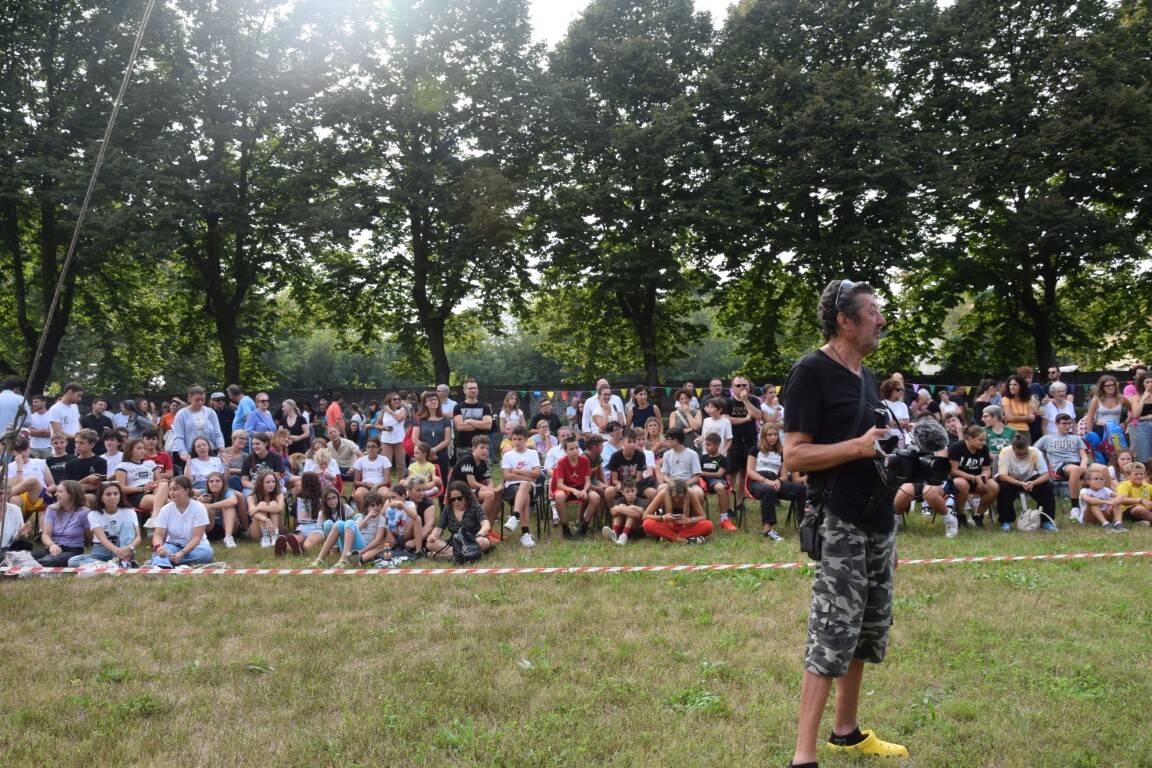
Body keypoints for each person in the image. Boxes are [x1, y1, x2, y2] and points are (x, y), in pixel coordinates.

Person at [783, 279, 909, 767]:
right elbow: (794, 455)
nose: (880, 319)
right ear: (845, 320)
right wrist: (856, 447)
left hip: (877, 519)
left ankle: (847, 731)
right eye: (873, 311)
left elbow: (875, 452)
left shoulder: (866, 375)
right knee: (831, 634)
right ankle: (803, 757)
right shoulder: (810, 372)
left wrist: (890, 521)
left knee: (866, 630)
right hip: (837, 520)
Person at [746, 424, 806, 541]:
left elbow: (784, 475)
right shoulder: (755, 449)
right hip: (757, 481)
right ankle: (767, 530)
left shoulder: (781, 452)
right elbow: (750, 471)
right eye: (769, 435)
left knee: (800, 489)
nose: (773, 437)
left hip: (775, 480)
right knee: (768, 490)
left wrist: (778, 481)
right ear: (764, 436)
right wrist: (766, 481)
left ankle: (803, 526)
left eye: (775, 434)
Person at [69, 483, 140, 570]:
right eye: (108, 494)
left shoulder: (129, 511)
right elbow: (103, 540)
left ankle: (123, 561)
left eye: (115, 494)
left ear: (120, 496)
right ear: (101, 497)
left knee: (127, 524)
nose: (112, 497)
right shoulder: (93, 514)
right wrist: (117, 551)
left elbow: (138, 538)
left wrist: (128, 548)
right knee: (73, 561)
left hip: (125, 547)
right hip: (101, 550)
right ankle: (113, 565)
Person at [1035, 413, 1091, 523]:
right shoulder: (1047, 438)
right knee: (1075, 469)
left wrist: (1084, 464)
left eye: (1069, 423)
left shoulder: (1076, 438)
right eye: (1064, 423)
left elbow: (1084, 456)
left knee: (1103, 468)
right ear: (1056, 424)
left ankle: (1106, 507)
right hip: (1061, 466)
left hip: (1079, 464)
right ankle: (1075, 508)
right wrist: (1043, 465)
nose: (1067, 426)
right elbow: (1033, 451)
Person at [147, 477, 213, 568]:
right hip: (172, 545)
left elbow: (197, 538)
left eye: (175, 489)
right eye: (170, 490)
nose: (171, 493)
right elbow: (158, 535)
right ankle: (165, 564)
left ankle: (162, 562)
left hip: (196, 547)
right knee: (161, 551)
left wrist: (182, 553)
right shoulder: (165, 510)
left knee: (206, 553)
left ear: (186, 490)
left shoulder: (199, 508)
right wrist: (159, 547)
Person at [995, 433, 1056, 531]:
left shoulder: (1035, 452)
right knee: (1003, 488)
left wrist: (1033, 483)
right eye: (1019, 454)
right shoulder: (1005, 452)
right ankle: (1006, 520)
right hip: (1010, 479)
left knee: (1047, 486)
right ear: (1013, 448)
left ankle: (1045, 520)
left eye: (1025, 453)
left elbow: (1046, 474)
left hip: (1030, 478)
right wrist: (1019, 483)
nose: (1022, 456)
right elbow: (1002, 476)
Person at [425, 482, 494, 561]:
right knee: (429, 544)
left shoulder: (474, 505)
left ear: (466, 496)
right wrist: (433, 536)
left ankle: (451, 555)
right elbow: (439, 528)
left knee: (484, 542)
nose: (456, 501)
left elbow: (486, 524)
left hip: (474, 540)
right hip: (456, 542)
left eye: (459, 498)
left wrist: (480, 535)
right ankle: (459, 555)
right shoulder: (448, 509)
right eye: (453, 499)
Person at [948, 426, 1000, 527]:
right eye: (981, 440)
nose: (983, 442)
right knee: (962, 484)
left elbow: (986, 469)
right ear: (970, 438)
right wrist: (973, 477)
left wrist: (982, 479)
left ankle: (978, 516)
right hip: (959, 479)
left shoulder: (983, 448)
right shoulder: (956, 448)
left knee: (994, 486)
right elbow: (953, 470)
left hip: (977, 479)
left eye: (984, 440)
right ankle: (960, 515)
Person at [32, 480, 91, 566]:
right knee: (28, 556)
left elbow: (90, 536)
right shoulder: (51, 509)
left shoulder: (84, 512)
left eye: (59, 492)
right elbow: (45, 535)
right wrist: (51, 545)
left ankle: (36, 566)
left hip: (73, 549)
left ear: (71, 494)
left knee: (49, 560)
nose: (55, 494)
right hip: (54, 547)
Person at [452, 435, 502, 535]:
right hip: (458, 492)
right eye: (482, 448)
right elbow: (472, 483)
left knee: (498, 494)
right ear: (474, 449)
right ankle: (475, 528)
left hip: (471, 491)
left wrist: (492, 488)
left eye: (487, 448)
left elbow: (489, 480)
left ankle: (488, 531)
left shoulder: (483, 462)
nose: (485, 451)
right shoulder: (467, 460)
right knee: (490, 495)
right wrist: (490, 490)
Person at [500, 426, 540, 548]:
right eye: (514, 439)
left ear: (526, 439)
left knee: (526, 485)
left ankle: (514, 517)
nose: (517, 442)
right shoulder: (508, 455)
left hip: (529, 486)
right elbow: (507, 476)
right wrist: (527, 476)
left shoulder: (533, 453)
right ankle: (525, 534)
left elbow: (537, 473)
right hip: (511, 488)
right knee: (526, 497)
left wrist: (517, 471)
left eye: (520, 439)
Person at [550, 435, 597, 539]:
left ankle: (583, 526)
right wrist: (573, 490)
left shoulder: (584, 460)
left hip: (581, 487)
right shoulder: (562, 462)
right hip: (566, 488)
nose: (575, 450)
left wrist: (584, 490)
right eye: (571, 449)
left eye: (576, 448)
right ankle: (565, 528)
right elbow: (560, 484)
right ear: (566, 451)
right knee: (559, 497)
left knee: (595, 497)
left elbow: (588, 481)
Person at [640, 478, 712, 543]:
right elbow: (645, 516)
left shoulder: (690, 493)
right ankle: (682, 540)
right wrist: (662, 517)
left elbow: (703, 516)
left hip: (686, 527)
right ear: (670, 492)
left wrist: (690, 520)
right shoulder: (663, 493)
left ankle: (669, 537)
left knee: (708, 525)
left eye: (680, 497)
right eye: (674, 497)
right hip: (667, 525)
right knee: (647, 523)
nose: (677, 500)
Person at [116, 438, 168, 525]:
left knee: (164, 484)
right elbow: (121, 488)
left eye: (143, 448)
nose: (143, 451)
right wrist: (143, 488)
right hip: (137, 494)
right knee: (170, 503)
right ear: (130, 451)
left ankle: (154, 517)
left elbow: (159, 481)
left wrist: (154, 484)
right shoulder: (123, 466)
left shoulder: (150, 463)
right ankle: (155, 517)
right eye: (139, 448)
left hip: (154, 490)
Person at [411, 390, 453, 485]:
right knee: (421, 482)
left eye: (435, 399)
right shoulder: (419, 420)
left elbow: (447, 440)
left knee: (442, 482)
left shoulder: (445, 420)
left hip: (441, 455)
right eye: (430, 400)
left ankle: (443, 500)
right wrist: (428, 452)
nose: (433, 401)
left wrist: (433, 450)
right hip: (423, 456)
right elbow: (415, 439)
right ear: (425, 403)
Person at [198, 472, 242, 548]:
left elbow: (233, 501)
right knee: (205, 508)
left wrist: (210, 506)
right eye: (211, 481)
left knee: (228, 506)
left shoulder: (227, 491)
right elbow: (189, 492)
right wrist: (198, 498)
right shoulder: (205, 493)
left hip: (227, 526)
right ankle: (199, 538)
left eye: (217, 481)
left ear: (223, 483)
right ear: (208, 484)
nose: (214, 483)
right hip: (211, 528)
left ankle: (228, 538)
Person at [699, 433, 733, 527]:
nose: (706, 447)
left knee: (720, 487)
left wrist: (703, 473)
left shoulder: (723, 459)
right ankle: (698, 518)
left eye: (709, 445)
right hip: (703, 481)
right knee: (696, 490)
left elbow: (719, 474)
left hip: (717, 480)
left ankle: (724, 518)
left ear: (717, 445)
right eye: (705, 444)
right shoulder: (703, 458)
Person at [1079, 466, 1128, 532]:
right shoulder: (1084, 490)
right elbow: (1088, 499)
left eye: (1101, 479)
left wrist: (1112, 504)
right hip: (1089, 518)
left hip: (1105, 514)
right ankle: (1106, 525)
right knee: (1093, 502)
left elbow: (1121, 496)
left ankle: (1118, 524)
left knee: (1117, 502)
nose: (1099, 481)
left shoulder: (1105, 490)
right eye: (1096, 479)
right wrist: (1107, 502)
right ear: (1088, 481)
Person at [65, 429, 107, 505]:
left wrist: (76, 486)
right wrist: (86, 479)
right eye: (76, 442)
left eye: (81, 443)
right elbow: (68, 487)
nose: (77, 445)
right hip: (73, 495)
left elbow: (97, 485)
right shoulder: (70, 464)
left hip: (93, 496)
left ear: (92, 445)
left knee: (86, 498)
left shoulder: (100, 462)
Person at [453, 379, 493, 456]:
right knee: (465, 468)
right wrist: (480, 424)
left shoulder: (485, 407)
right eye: (470, 388)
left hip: (482, 447)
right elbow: (460, 426)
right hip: (464, 446)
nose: (473, 390)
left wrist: (470, 421)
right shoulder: (458, 407)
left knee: (483, 468)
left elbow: (488, 425)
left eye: (475, 388)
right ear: (464, 390)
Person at [375, 392, 407, 483]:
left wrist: (389, 411)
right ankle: (386, 485)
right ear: (389, 400)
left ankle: (400, 486)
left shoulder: (403, 410)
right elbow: (377, 425)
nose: (397, 401)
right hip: (386, 441)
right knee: (386, 464)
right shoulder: (383, 411)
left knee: (400, 465)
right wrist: (384, 428)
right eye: (394, 399)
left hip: (399, 440)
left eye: (398, 399)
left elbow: (399, 419)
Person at [601, 478, 644, 545]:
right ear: (623, 492)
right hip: (621, 528)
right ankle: (614, 533)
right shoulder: (620, 500)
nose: (630, 494)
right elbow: (613, 512)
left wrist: (621, 509)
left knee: (630, 513)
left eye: (633, 491)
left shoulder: (639, 501)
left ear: (636, 490)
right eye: (627, 491)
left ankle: (624, 535)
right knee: (621, 507)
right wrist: (622, 508)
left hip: (636, 530)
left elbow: (639, 514)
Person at [248, 470, 284, 546]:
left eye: (273, 482)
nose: (271, 484)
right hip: (258, 530)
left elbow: (280, 508)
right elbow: (251, 512)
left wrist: (258, 508)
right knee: (262, 503)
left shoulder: (279, 495)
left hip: (276, 527)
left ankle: (274, 536)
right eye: (267, 482)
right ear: (261, 484)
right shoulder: (252, 496)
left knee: (273, 503)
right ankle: (265, 537)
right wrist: (266, 520)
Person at [1114, 461, 1152, 525]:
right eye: (1136, 474)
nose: (1139, 476)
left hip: (1146, 510)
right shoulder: (1124, 485)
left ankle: (1145, 521)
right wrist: (1140, 500)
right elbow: (1121, 500)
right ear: (1128, 476)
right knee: (1138, 509)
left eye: (1141, 474)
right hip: (1128, 512)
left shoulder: (1147, 486)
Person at [47, 382, 84, 447]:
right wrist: (77, 437)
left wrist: (83, 434)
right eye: (78, 395)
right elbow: (58, 432)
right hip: (62, 447)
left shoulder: (75, 406)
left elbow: (77, 423)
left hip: (76, 444)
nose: (80, 399)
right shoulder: (55, 409)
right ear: (70, 392)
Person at [1128, 372, 1152, 463]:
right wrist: (1143, 399)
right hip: (1143, 427)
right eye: (1147, 382)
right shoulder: (1136, 397)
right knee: (1144, 457)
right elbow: (1135, 415)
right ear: (1142, 383)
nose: (1150, 384)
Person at [26, 395, 53, 459]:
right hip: (33, 448)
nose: (33, 404)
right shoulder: (31, 417)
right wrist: (43, 431)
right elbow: (30, 433)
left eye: (36, 402)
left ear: (44, 402)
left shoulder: (51, 415)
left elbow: (51, 432)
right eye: (33, 402)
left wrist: (36, 432)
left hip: (48, 447)